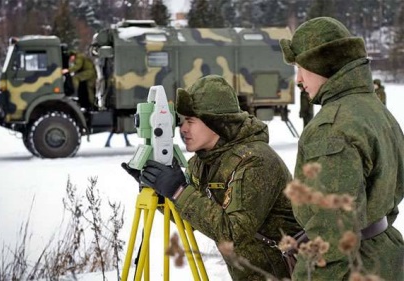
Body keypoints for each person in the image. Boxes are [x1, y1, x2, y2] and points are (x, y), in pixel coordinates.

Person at [123, 75, 302, 280]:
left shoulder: (256, 161)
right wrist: (162, 190)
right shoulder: (203, 161)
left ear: (216, 123)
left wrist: (179, 191)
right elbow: (193, 220)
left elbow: (234, 233)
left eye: (190, 121)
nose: (183, 129)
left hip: (287, 272)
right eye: (182, 121)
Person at [279, 17, 404, 280]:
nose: (299, 79)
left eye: (302, 68)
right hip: (385, 253)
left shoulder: (331, 126)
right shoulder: (373, 109)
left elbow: (334, 236)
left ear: (323, 64)